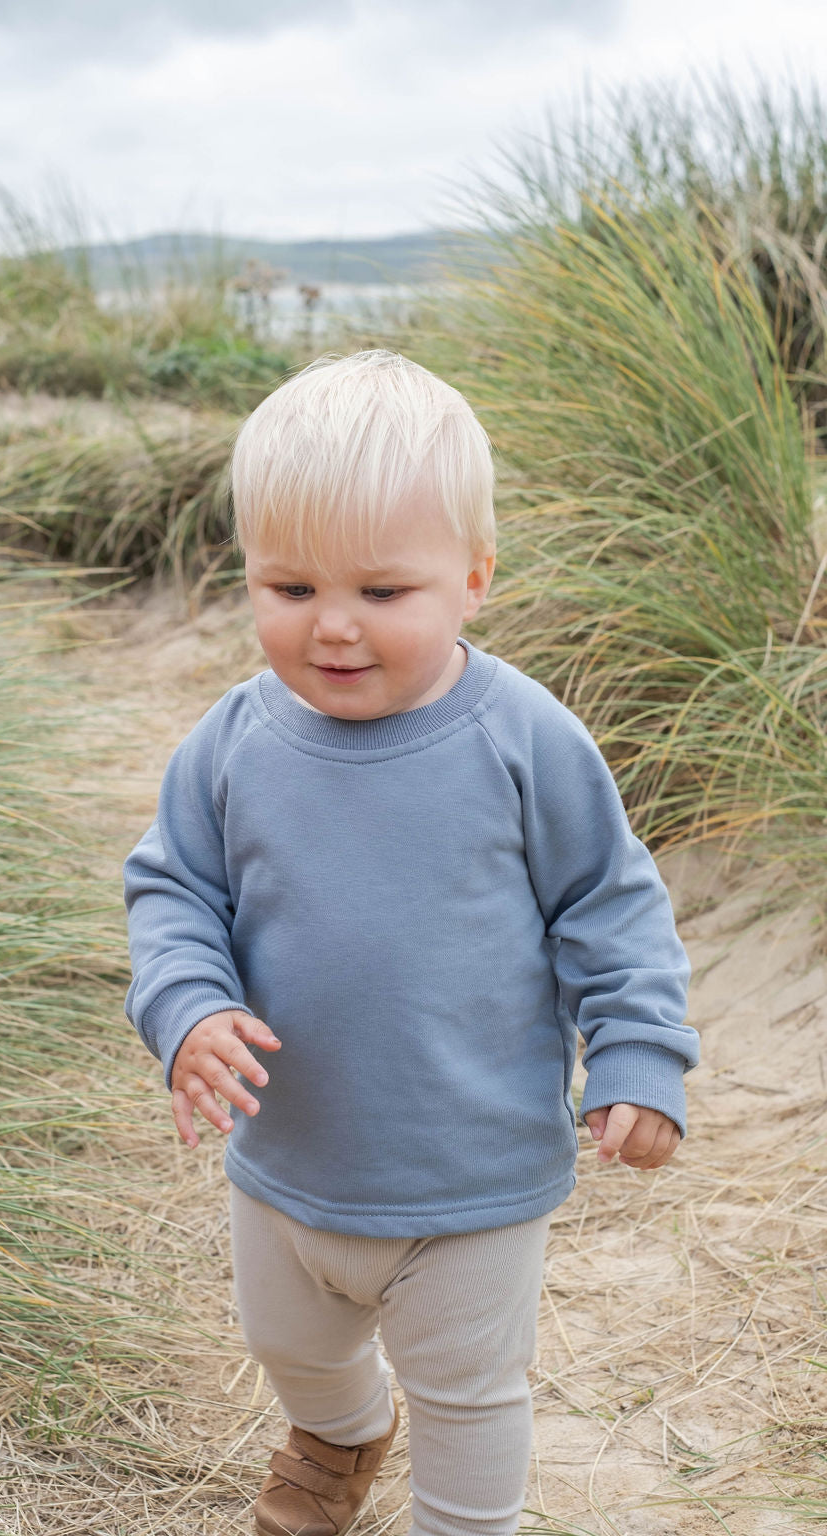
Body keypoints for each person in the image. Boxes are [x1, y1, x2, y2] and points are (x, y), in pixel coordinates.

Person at [122, 349, 699, 1536]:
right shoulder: (232, 742)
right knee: (292, 1348)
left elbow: (607, 900)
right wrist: (186, 1007)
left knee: (468, 1398)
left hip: (470, 1175)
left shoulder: (522, 738)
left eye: (382, 594)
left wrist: (641, 1054)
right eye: (288, 589)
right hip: (290, 1160)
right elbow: (173, 889)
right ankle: (338, 1438)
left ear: (473, 577)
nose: (332, 627)